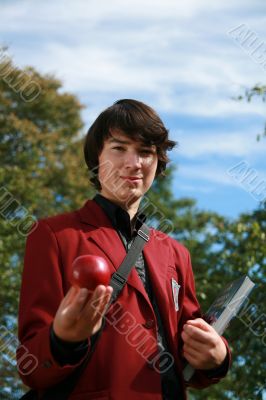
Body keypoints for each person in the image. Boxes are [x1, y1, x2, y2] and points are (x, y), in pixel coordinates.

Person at [17, 99, 231, 400]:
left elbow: (189, 353)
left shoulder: (176, 253)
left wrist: (218, 357)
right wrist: (61, 340)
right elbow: (31, 367)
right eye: (119, 148)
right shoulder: (52, 236)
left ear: (158, 163)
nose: (134, 163)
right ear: (96, 158)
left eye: (146, 152)